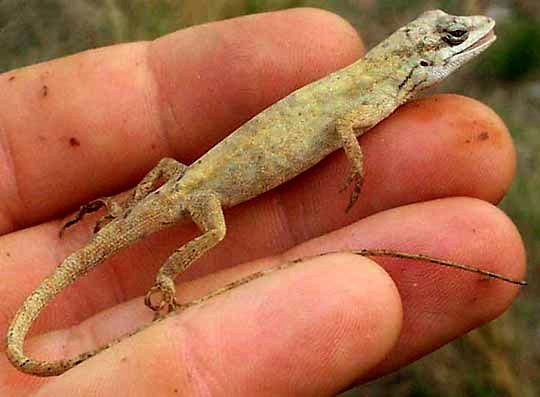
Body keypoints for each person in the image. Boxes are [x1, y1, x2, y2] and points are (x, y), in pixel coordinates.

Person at [0, 8, 525, 395]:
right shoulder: (374, 91)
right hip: (201, 191)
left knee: (172, 179)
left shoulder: (376, 84)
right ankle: (164, 276)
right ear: (420, 52)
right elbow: (345, 124)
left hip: (186, 178)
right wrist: (357, 164)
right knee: (216, 231)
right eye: (455, 34)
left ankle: (128, 228)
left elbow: (342, 120)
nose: (473, 31)